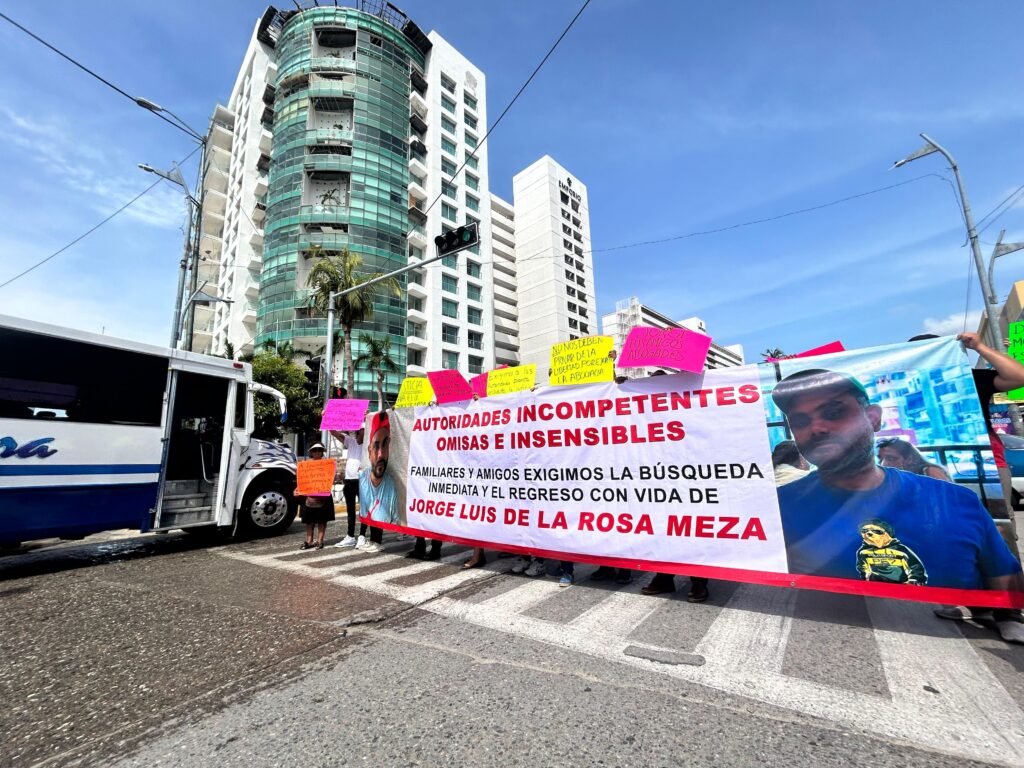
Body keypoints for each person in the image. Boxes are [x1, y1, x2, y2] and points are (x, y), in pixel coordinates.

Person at [772, 367, 1024, 596]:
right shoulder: (777, 510)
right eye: (801, 421)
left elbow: (1008, 597)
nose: (817, 428)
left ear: (873, 418)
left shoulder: (956, 501)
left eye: (834, 412)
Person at [910, 332, 1024, 643]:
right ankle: (976, 602)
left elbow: (1018, 376)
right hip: (941, 470)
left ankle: (1010, 612)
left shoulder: (973, 377)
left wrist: (980, 348)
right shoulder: (917, 390)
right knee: (953, 534)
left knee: (999, 532)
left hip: (986, 464)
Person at [639, 369, 709, 602]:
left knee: (693, 531)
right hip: (657, 482)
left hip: (690, 481)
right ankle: (664, 577)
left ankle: (699, 581)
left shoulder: (690, 407)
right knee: (663, 532)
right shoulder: (643, 412)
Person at [358, 411, 398, 554]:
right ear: (369, 451)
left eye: (385, 445)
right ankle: (371, 539)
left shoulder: (391, 484)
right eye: (376, 446)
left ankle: (377, 541)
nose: (381, 454)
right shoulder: (363, 477)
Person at [297, 443, 335, 550]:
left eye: (320, 450)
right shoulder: (305, 465)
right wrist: (298, 489)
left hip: (323, 494)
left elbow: (331, 478)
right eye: (315, 450)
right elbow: (301, 479)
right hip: (308, 495)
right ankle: (309, 541)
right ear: (311, 452)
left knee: (322, 520)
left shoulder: (327, 464)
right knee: (309, 520)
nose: (317, 452)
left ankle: (320, 541)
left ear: (322, 452)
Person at [333, 428, 364, 548]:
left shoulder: (367, 439)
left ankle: (362, 536)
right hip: (349, 480)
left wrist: (365, 419)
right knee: (350, 510)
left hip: (362, 479)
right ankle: (350, 536)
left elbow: (363, 431)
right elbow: (333, 432)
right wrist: (327, 417)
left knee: (364, 509)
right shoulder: (350, 441)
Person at [875, 437, 951, 481]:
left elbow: (948, 499)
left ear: (909, 459)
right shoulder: (893, 477)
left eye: (891, 458)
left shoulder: (929, 471)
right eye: (880, 459)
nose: (883, 464)